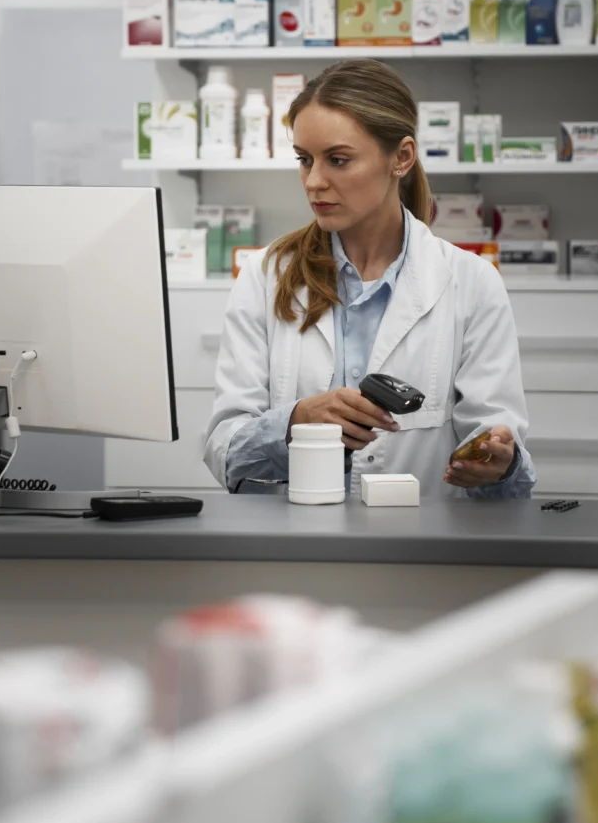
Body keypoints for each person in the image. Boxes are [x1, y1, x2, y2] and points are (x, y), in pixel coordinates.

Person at [204, 58, 536, 499]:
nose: (314, 181)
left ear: (401, 157)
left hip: (418, 534)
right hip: (292, 535)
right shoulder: (266, 276)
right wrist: (294, 423)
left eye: (338, 160)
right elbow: (224, 452)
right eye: (305, 160)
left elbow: (499, 450)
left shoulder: (470, 282)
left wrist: (498, 464)